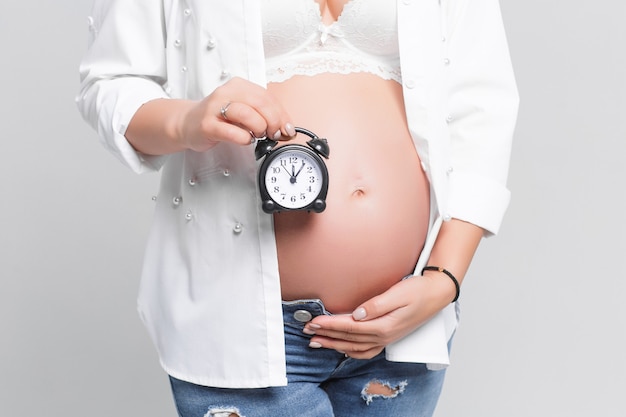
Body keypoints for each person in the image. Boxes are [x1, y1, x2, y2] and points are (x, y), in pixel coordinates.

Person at [77, 0, 518, 416]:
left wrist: (443, 279)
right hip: (245, 328)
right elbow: (110, 84)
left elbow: (481, 104)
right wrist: (186, 121)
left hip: (405, 322)